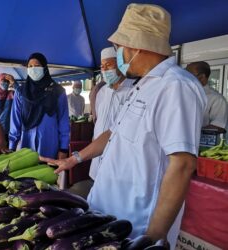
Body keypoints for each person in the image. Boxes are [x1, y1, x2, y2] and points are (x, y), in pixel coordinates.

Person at [41, 4, 207, 249]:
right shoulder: (143, 85)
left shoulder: (176, 86)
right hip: (107, 213)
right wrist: (74, 159)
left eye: (120, 47)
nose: (119, 54)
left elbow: (182, 164)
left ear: (137, 47)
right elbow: (113, 134)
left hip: (136, 224)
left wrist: (151, 239)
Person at [9, 52, 70, 159]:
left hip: (50, 145)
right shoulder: (21, 92)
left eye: (37, 66)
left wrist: (63, 148)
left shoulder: (58, 91)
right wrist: (12, 146)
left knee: (48, 173)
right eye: (30, 66)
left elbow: (63, 121)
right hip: (26, 145)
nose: (33, 69)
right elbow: (15, 120)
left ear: (45, 68)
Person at [89, 47, 134, 180]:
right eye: (102, 67)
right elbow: (99, 121)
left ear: (121, 65)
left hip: (119, 157)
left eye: (109, 65)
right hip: (97, 154)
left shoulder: (133, 90)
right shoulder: (102, 92)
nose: (105, 70)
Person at [186, 61, 228, 133]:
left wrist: (186, 131)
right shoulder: (183, 94)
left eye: (188, 75)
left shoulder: (217, 99)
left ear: (202, 77)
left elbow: (218, 127)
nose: (184, 77)